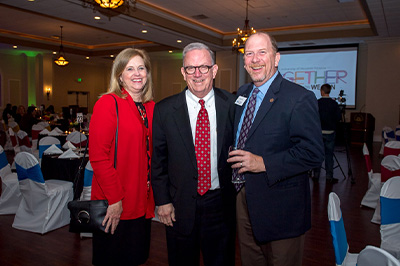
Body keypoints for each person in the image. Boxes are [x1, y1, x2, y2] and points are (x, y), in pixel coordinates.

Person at [227, 32, 324, 266]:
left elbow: (313, 153)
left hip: (282, 207)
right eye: (249, 54)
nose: (255, 59)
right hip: (243, 199)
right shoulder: (241, 95)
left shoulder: (299, 98)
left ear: (277, 58)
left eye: (262, 52)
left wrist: (263, 163)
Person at [151, 42, 236, 266]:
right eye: (191, 68)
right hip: (179, 206)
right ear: (183, 72)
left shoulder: (232, 106)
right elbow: (158, 162)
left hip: (221, 204)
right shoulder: (164, 110)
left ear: (214, 70)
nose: (197, 74)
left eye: (203, 68)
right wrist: (162, 201)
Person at [89, 48, 155, 266]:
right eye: (130, 68)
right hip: (115, 203)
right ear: (120, 75)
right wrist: (115, 199)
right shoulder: (108, 103)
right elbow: (98, 157)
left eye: (141, 68)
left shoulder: (151, 107)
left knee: (136, 258)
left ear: (147, 73)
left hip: (141, 203)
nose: (137, 73)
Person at [311, 84, 342, 183]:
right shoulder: (334, 104)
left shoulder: (317, 103)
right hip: (330, 132)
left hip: (318, 133)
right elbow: (338, 117)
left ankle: (316, 175)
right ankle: (329, 176)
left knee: (317, 154)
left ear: (321, 91)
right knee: (329, 155)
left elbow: (312, 117)